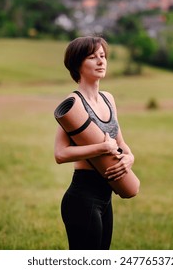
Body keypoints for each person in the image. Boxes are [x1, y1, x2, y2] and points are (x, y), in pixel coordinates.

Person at [54, 36, 135, 250]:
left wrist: (129, 158)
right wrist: (102, 147)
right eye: (93, 57)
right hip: (83, 197)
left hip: (105, 196)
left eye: (103, 56)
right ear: (77, 64)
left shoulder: (108, 98)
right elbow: (60, 154)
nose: (101, 61)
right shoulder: (73, 105)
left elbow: (120, 142)